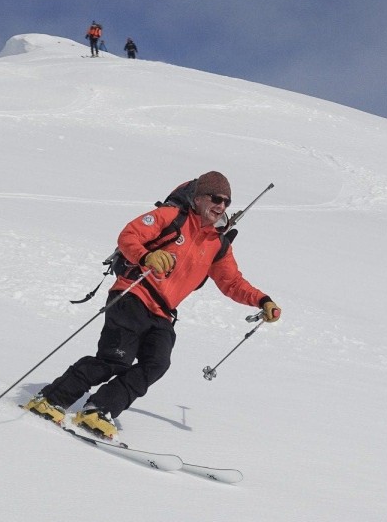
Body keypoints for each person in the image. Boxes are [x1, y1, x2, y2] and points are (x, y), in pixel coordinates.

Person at [25, 172, 281, 439]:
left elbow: (232, 281)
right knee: (114, 359)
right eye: (216, 198)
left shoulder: (218, 245)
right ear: (198, 197)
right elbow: (129, 236)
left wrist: (262, 300)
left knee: (156, 363)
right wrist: (147, 256)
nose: (221, 206)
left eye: (226, 202)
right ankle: (51, 399)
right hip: (133, 295)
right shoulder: (172, 218)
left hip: (163, 313)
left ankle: (100, 409)